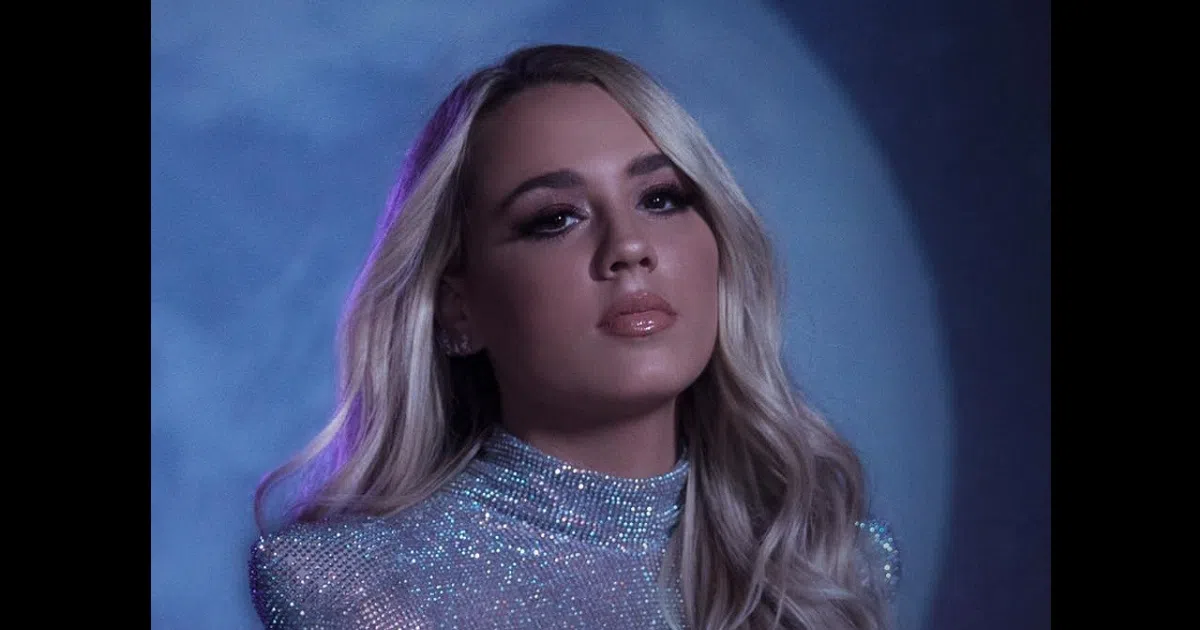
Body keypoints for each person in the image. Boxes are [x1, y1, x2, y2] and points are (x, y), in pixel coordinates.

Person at [249, 44, 900, 629]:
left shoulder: (832, 568)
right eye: (555, 218)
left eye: (661, 199)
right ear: (457, 310)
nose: (630, 247)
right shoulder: (350, 586)